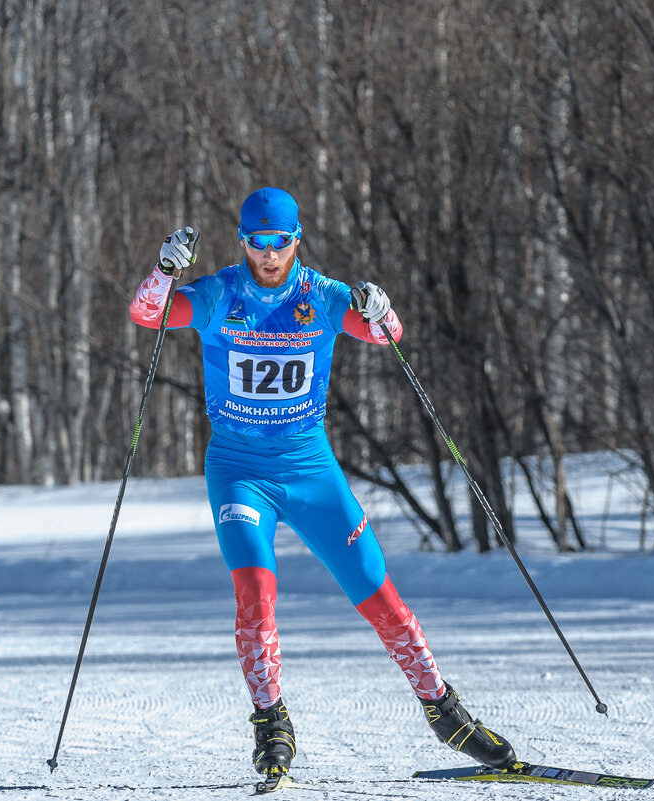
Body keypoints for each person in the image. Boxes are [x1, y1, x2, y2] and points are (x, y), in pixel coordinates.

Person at [129, 187, 515, 779]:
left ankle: (445, 713)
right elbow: (146, 314)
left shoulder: (323, 296)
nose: (268, 253)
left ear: (296, 240)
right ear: (243, 241)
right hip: (238, 471)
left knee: (377, 593)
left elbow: (389, 336)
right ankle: (271, 723)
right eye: (257, 242)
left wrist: (381, 309)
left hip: (310, 468)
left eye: (279, 241)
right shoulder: (218, 295)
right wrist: (163, 270)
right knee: (256, 593)